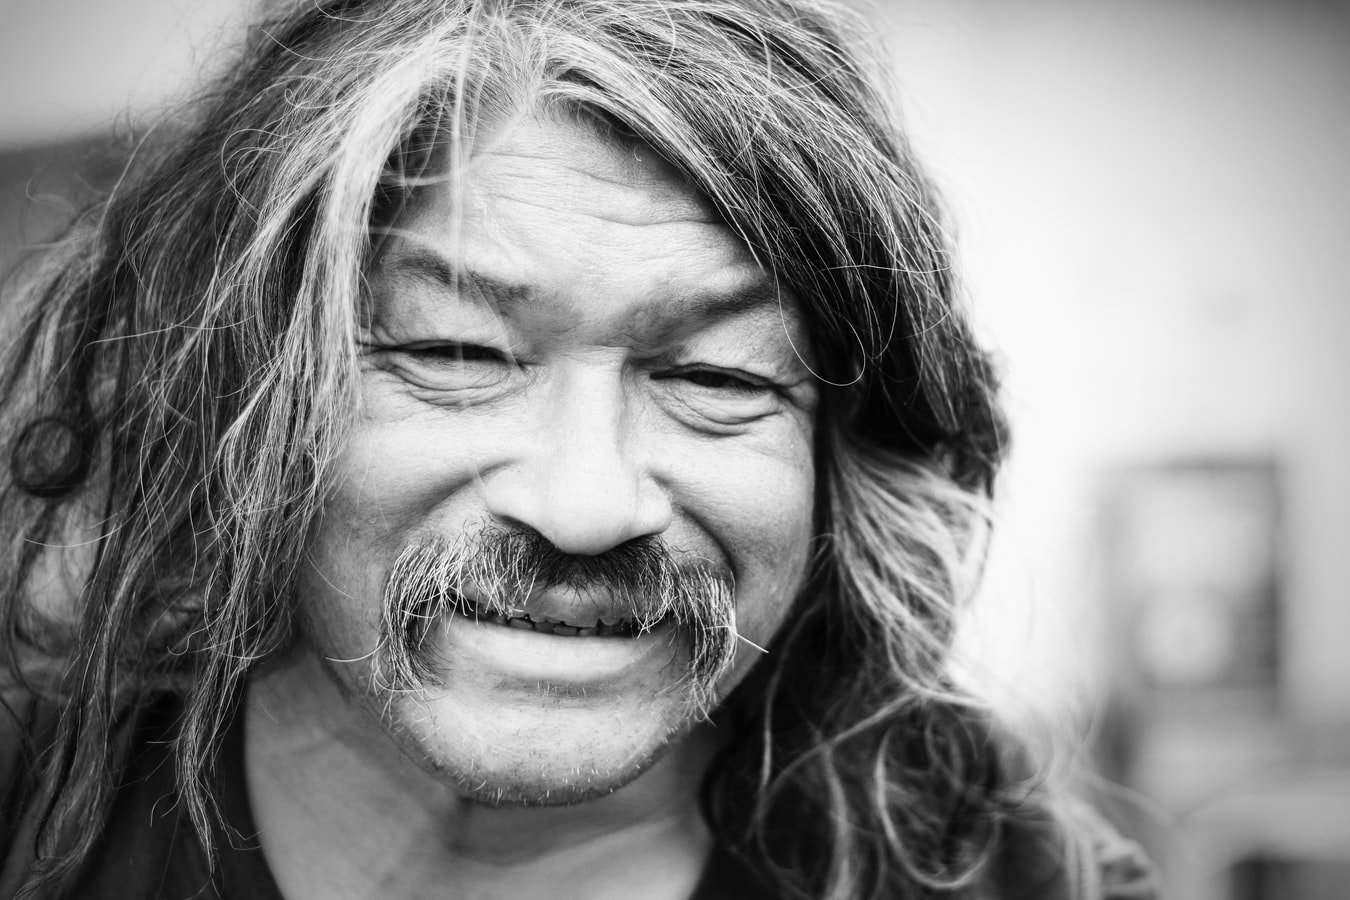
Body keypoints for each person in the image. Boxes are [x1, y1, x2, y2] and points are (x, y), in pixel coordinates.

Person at [0, 0, 1156, 897]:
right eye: (455, 353)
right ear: (236, 397)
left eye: (716, 377)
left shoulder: (1011, 879)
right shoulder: (32, 809)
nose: (585, 504)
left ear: (844, 467)